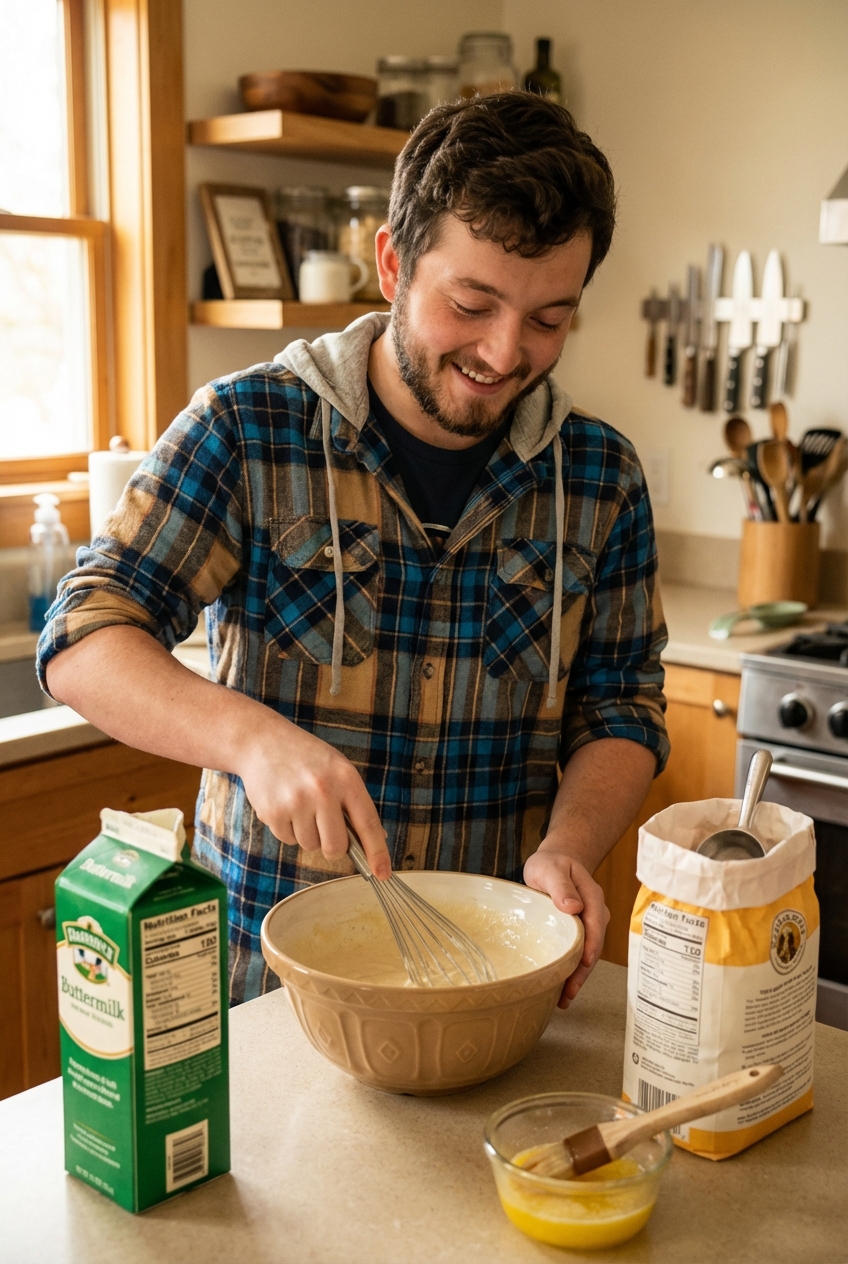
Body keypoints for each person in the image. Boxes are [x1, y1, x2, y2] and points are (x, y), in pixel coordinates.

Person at [39, 92, 669, 1007]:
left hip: (491, 989)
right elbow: (83, 637)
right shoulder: (249, 429)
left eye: (548, 319)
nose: (503, 352)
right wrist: (251, 739)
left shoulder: (600, 476)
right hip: (265, 997)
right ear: (392, 264)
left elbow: (623, 707)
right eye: (472, 303)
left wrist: (569, 845)